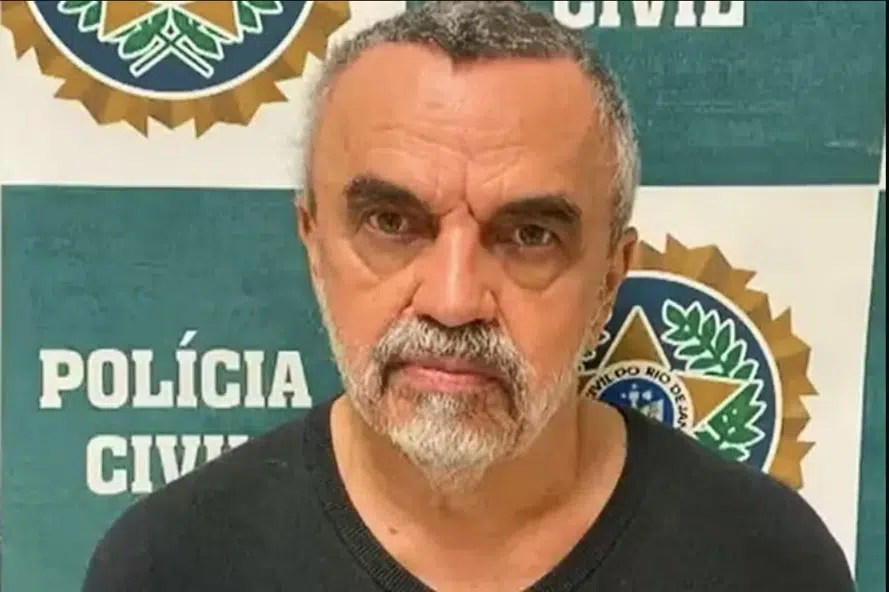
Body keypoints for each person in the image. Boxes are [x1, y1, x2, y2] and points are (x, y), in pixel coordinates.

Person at [82, 2, 855, 591]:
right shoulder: (172, 564)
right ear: (312, 241)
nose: (453, 302)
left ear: (609, 277)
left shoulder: (766, 561)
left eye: (529, 235)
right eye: (392, 223)